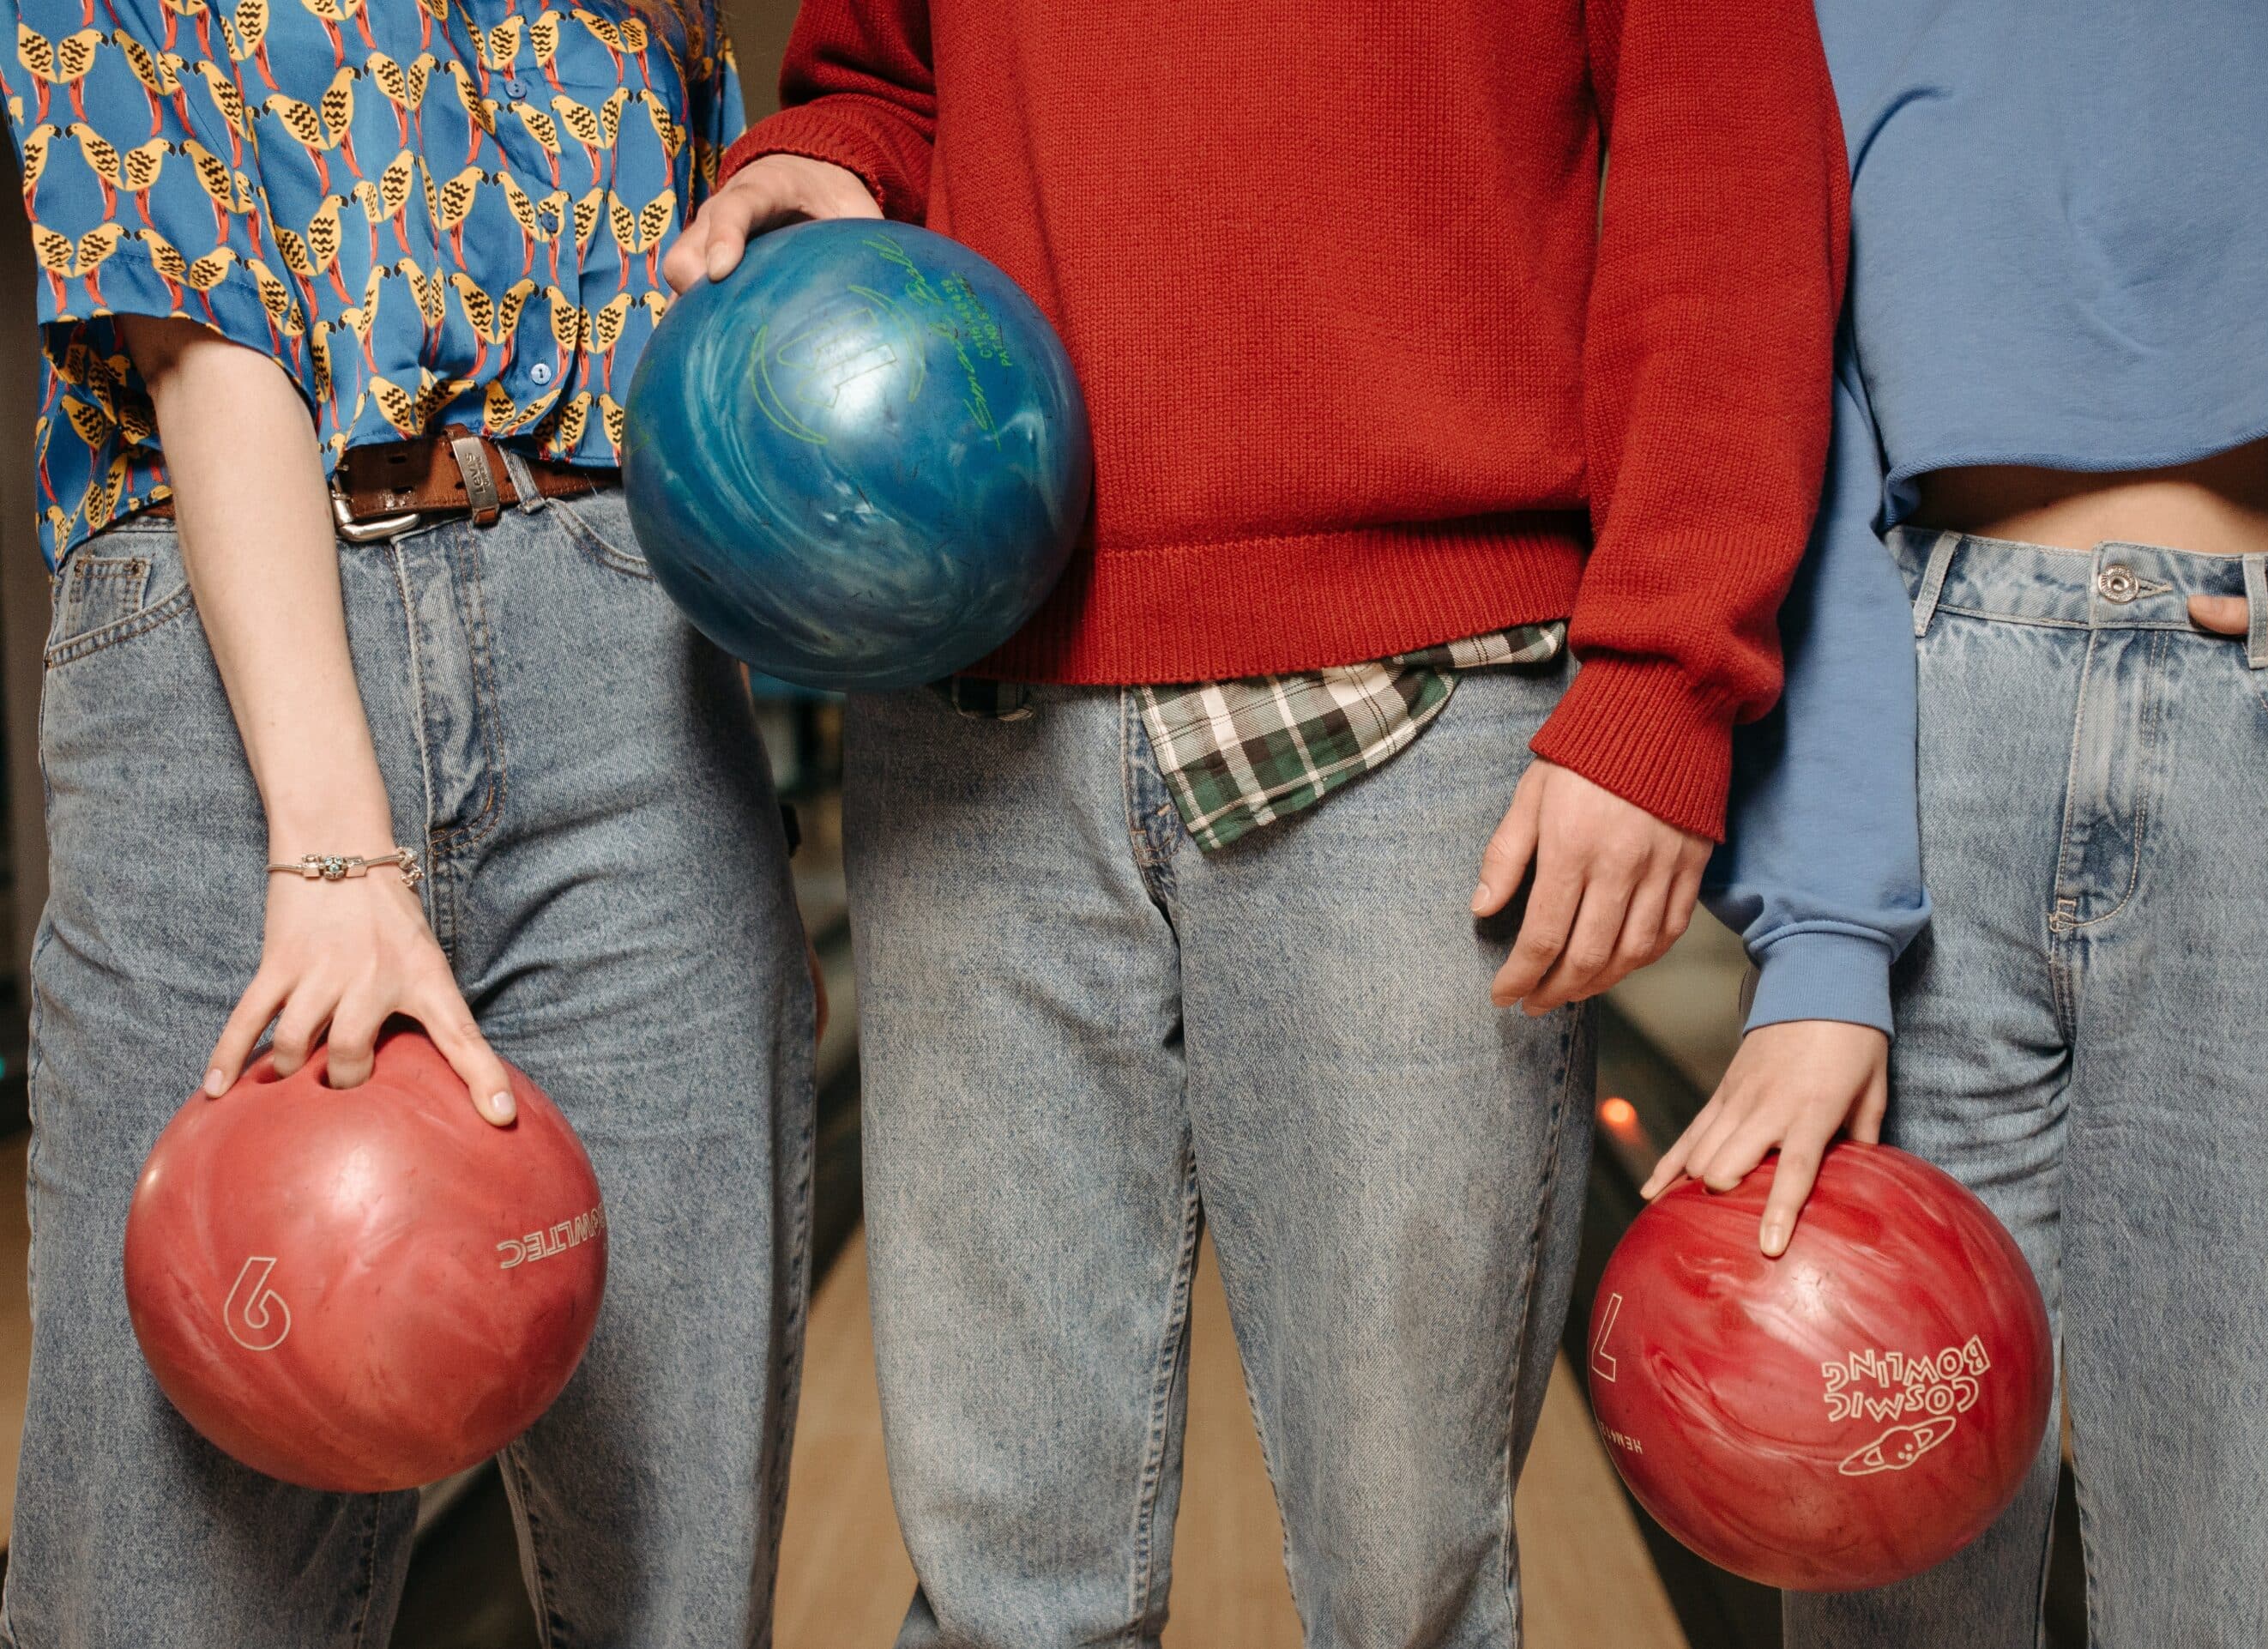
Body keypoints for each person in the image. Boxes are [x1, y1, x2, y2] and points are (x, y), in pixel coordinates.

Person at [662, 2, 1845, 1642]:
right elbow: (885, 74)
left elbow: (1719, 158)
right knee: (1004, 1589)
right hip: (975, 705)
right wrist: (824, 157)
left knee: (1403, 1581)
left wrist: (1666, 669)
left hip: (1415, 700)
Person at [0, 2, 813, 1643]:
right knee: (162, 1598)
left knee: (676, 1587)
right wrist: (334, 846)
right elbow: (193, 297)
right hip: (219, 694)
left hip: (622, 644)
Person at [1656, 5, 2268, 1643]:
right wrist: (1823, 934)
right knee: (1892, 1586)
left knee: (2226, 1593)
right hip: (1928, 727)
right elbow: (1783, 422)